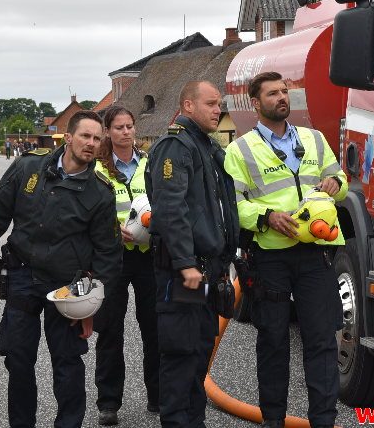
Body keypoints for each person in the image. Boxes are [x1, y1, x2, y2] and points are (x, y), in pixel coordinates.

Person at [224, 71, 348, 428]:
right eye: (273, 93)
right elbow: (233, 206)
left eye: (285, 91)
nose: (282, 97)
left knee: (322, 340)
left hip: (316, 254)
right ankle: (274, 420)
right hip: (270, 258)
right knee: (274, 341)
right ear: (255, 102)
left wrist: (333, 183)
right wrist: (266, 217)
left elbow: (341, 184)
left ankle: (323, 420)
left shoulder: (314, 139)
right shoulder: (240, 150)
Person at [0, 110, 123, 428]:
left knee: (68, 364)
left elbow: (108, 255)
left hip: (68, 288)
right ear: (68, 137)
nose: (91, 143)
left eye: (96, 138)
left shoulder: (100, 193)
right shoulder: (27, 166)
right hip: (21, 275)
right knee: (19, 361)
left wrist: (89, 306)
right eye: (85, 136)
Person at [145, 80, 239, 428]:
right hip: (183, 274)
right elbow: (171, 209)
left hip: (207, 272)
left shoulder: (206, 148)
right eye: (211, 104)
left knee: (198, 356)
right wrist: (185, 263)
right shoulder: (175, 147)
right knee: (181, 357)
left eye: (220, 104)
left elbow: (220, 209)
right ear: (187, 106)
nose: (218, 110)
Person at [93, 106, 159, 426]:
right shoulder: (97, 169)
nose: (126, 132)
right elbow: (86, 211)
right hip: (112, 258)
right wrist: (106, 231)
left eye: (130, 126)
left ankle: (158, 397)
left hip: (148, 256)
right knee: (109, 331)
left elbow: (165, 200)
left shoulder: (150, 163)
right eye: (118, 127)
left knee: (155, 328)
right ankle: (108, 402)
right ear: (108, 131)